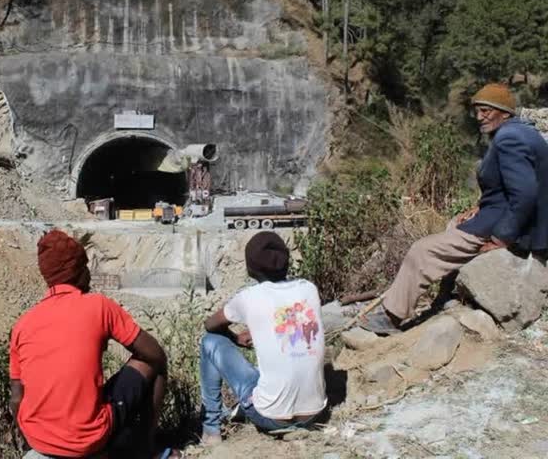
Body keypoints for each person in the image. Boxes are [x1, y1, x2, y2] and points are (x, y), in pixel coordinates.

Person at [363, 83, 548, 334]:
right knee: (454, 224)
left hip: (516, 226)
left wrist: (501, 237)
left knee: (422, 251)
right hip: (507, 214)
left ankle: (392, 316)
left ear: (505, 112)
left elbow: (524, 194)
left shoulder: (508, 139)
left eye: (486, 110)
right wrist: (480, 207)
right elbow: (509, 186)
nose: (479, 117)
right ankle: (447, 294)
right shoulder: (523, 132)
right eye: (477, 111)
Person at [9, 230, 180, 459]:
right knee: (153, 362)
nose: (89, 274)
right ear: (77, 271)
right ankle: (147, 448)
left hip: (39, 441)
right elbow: (155, 354)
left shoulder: (23, 325)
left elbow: (17, 399)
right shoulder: (99, 307)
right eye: (86, 267)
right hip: (87, 440)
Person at [199, 231, 327, 444]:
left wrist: (234, 337)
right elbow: (291, 324)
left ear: (251, 268)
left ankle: (210, 430)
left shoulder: (249, 297)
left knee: (209, 342)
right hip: (314, 413)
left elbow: (210, 325)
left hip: (270, 418)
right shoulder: (309, 289)